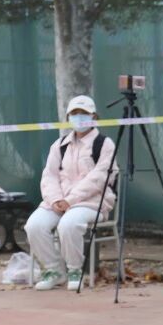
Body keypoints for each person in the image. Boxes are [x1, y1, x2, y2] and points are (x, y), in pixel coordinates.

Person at [25, 95, 118, 291]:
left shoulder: (104, 144)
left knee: (69, 224)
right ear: (68, 117)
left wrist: (70, 200)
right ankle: (54, 270)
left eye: (84, 113)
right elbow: (49, 176)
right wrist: (56, 200)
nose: (79, 117)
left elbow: (100, 177)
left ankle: (75, 269)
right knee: (34, 225)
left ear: (94, 116)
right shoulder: (59, 145)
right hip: (58, 202)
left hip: (91, 203)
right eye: (74, 113)